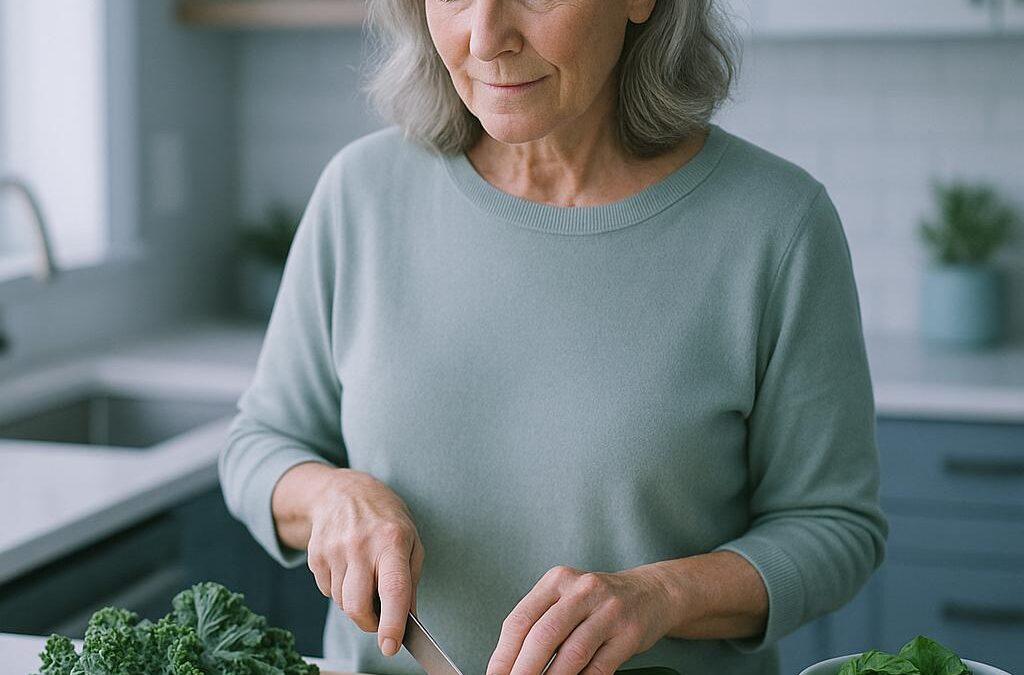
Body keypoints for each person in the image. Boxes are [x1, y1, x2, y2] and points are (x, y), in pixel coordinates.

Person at [219, 0, 889, 674]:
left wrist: (659, 596)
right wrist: (331, 497)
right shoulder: (359, 194)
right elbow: (260, 444)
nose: (486, 38)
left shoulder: (777, 225)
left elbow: (834, 527)